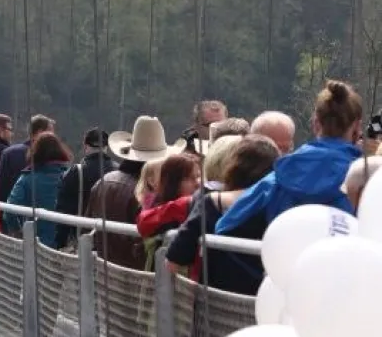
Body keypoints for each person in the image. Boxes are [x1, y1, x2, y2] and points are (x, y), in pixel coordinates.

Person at [216, 80, 362, 239]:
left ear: (315, 123)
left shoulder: (278, 178)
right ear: (357, 127)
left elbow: (224, 227)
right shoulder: (367, 181)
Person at [166, 135, 279, 293]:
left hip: (215, 302)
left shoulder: (212, 203)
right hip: (267, 301)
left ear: (234, 167)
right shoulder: (284, 207)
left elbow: (174, 259)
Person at [86, 115, 171, 269]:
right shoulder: (147, 194)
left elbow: (87, 228)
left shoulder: (103, 182)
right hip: (137, 276)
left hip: (102, 271)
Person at [5, 131, 72, 246]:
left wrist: (17, 231)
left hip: (34, 244)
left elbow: (9, 209)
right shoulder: (69, 177)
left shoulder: (26, 179)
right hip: (64, 246)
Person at [136, 153, 201, 270]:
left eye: (198, 176)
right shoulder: (163, 209)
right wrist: (185, 204)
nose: (197, 183)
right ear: (173, 182)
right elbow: (143, 223)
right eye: (189, 178)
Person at [54, 127, 114, 250]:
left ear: (85, 146)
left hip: (82, 242)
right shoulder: (117, 172)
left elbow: (63, 210)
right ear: (106, 147)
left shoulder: (76, 171)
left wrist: (60, 243)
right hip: (111, 243)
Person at [0, 114, 54, 205]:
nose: (53, 136)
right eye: (51, 132)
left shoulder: (9, 153)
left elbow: (1, 187)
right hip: (43, 209)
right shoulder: (52, 156)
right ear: (40, 132)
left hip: (12, 207)